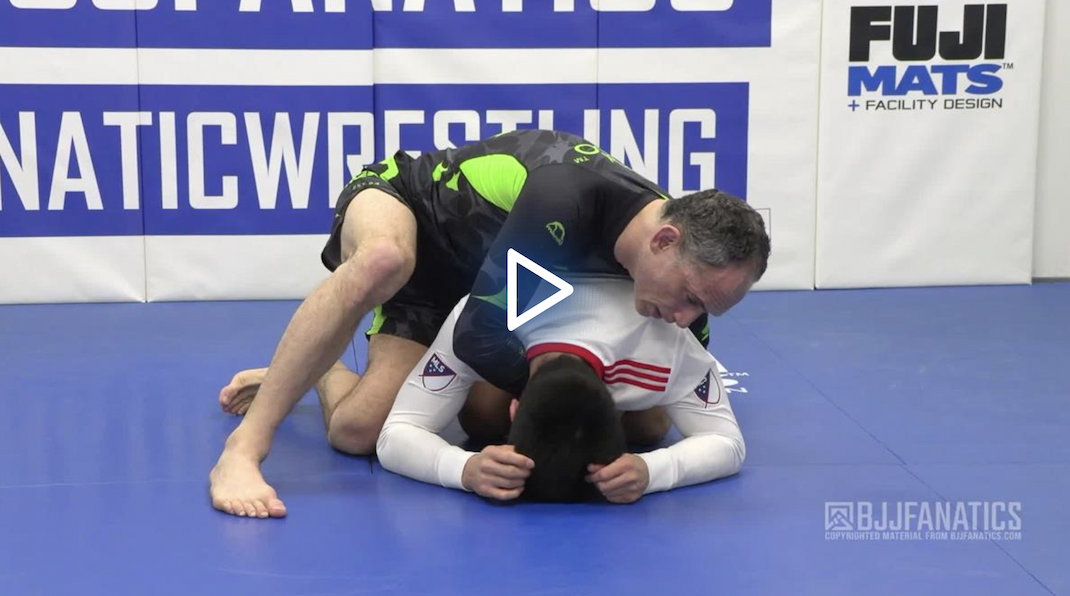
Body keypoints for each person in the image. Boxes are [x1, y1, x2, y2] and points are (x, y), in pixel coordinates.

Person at [209, 129, 769, 518]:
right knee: (383, 267)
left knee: (646, 426)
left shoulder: (678, 267)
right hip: (423, 224)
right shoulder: (567, 202)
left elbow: (684, 404)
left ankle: (322, 368)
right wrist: (565, 402)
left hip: (496, 284)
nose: (686, 317)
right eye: (688, 298)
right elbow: (479, 333)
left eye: (705, 310)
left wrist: (641, 454)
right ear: (664, 241)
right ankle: (244, 447)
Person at [377, 277, 746, 504]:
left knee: (649, 429)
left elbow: (729, 444)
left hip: (625, 303)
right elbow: (393, 435)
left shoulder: (670, 344)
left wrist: (651, 470)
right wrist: (465, 468)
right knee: (481, 417)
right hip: (514, 286)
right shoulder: (479, 319)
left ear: (515, 408)